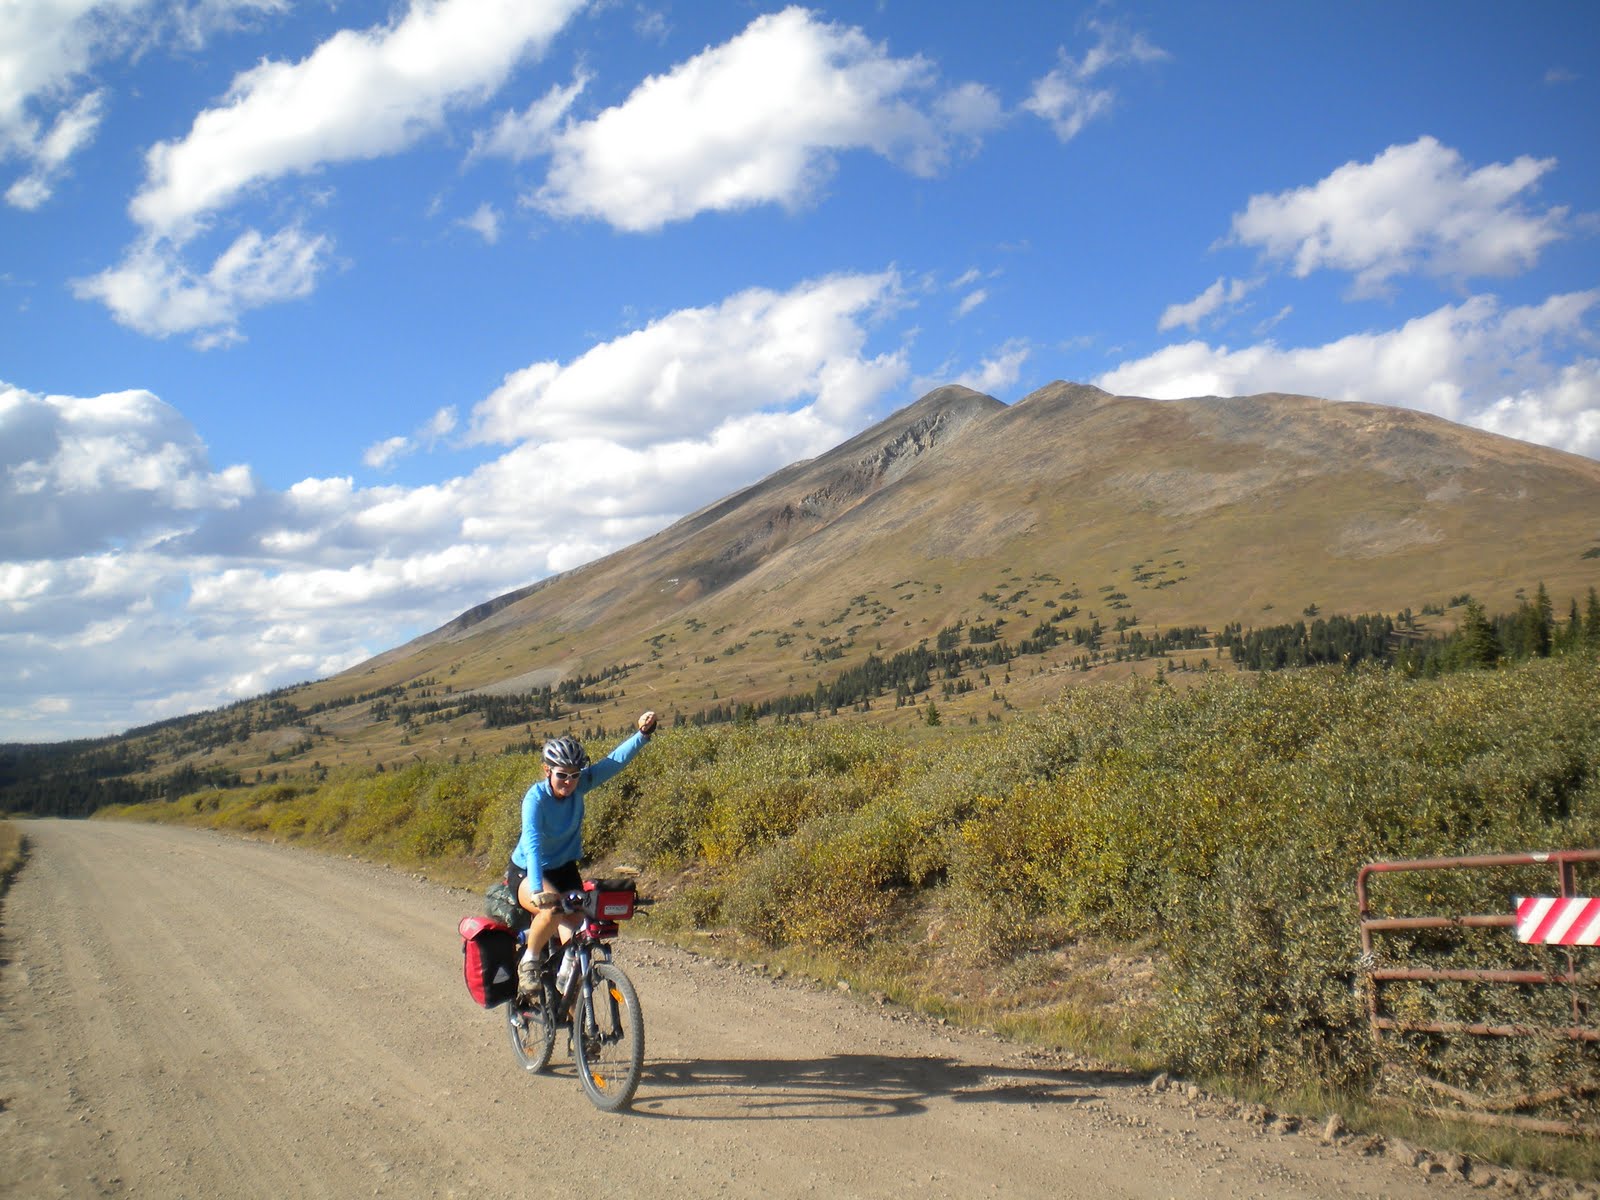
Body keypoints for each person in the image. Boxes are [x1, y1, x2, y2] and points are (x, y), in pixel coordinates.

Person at [509, 711, 657, 1001]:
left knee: (579, 934)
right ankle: (529, 962)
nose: (569, 781)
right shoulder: (535, 799)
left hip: (564, 869)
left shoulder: (578, 789)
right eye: (562, 774)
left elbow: (613, 763)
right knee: (551, 911)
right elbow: (534, 844)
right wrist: (539, 890)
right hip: (529, 870)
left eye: (575, 775)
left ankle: (582, 1032)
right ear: (547, 771)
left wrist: (642, 736)